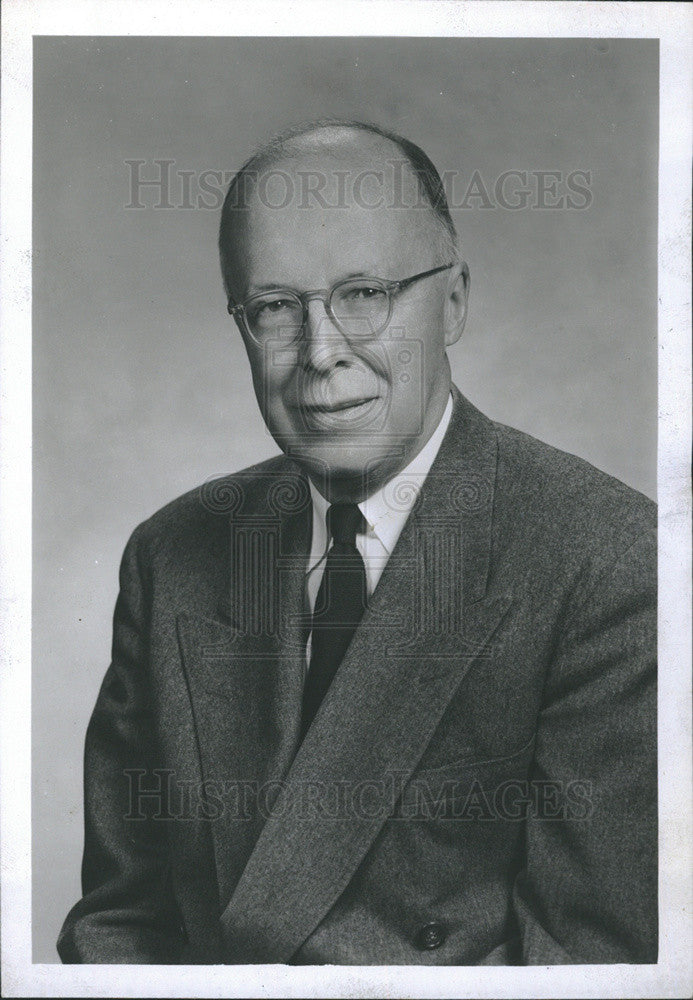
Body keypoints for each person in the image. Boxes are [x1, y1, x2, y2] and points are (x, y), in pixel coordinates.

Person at [58, 120, 657, 965]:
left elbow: (589, 967)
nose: (319, 353)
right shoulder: (172, 555)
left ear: (452, 302)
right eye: (274, 308)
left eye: (364, 295)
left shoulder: (609, 561)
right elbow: (119, 923)